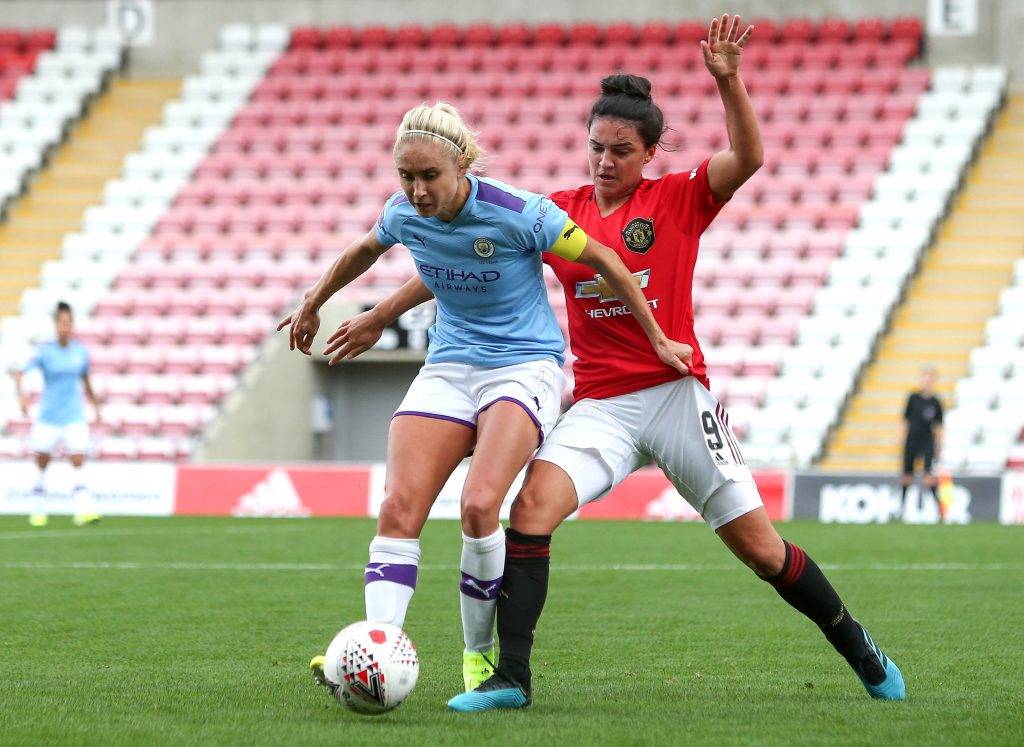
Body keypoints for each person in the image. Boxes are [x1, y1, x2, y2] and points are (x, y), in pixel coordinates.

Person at [332, 15, 906, 710]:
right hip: (601, 403)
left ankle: (858, 644)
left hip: (674, 394)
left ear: (650, 152)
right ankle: (511, 678)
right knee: (530, 510)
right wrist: (384, 310)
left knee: (762, 551)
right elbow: (460, 258)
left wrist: (728, 79)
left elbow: (748, 158)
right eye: (596, 147)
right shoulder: (560, 209)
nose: (605, 161)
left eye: (621, 150)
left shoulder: (680, 197)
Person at [277, 102, 693, 696]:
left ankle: (478, 657)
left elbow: (604, 258)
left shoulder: (519, 212)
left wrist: (655, 335)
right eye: (406, 178)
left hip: (524, 367)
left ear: (462, 165)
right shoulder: (402, 213)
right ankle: (375, 656)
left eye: (429, 177)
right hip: (449, 365)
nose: (417, 192)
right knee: (399, 509)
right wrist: (322, 301)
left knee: (478, 506)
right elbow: (365, 250)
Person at [12, 301, 102, 527]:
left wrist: (96, 406)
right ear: (55, 325)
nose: (65, 327)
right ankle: (38, 509)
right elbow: (20, 373)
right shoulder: (46, 352)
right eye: (62, 322)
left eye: (69, 323)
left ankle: (83, 509)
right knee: (42, 461)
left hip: (74, 415)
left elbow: (86, 380)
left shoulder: (80, 352)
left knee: (78, 458)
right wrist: (22, 397)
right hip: (48, 416)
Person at [900, 366, 944, 517]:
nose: (926, 382)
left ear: (933, 381)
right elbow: (905, 419)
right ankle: (902, 509)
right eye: (924, 378)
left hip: (927, 442)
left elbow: (939, 425)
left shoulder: (935, 402)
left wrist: (939, 444)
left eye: (929, 379)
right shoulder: (913, 398)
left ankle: (938, 510)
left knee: (928, 477)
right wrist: (901, 436)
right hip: (911, 440)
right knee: (906, 476)